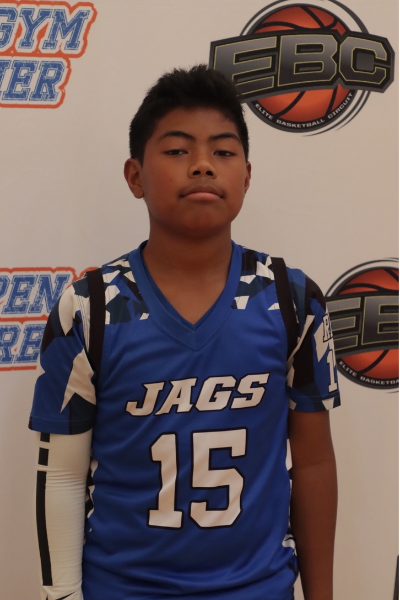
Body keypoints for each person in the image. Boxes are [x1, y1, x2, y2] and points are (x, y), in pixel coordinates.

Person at [29, 65, 340, 600]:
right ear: (135, 176)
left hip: (259, 589)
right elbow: (61, 477)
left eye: (223, 151)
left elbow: (312, 463)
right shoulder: (88, 309)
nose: (202, 165)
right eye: (177, 150)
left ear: (246, 175)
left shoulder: (292, 300)